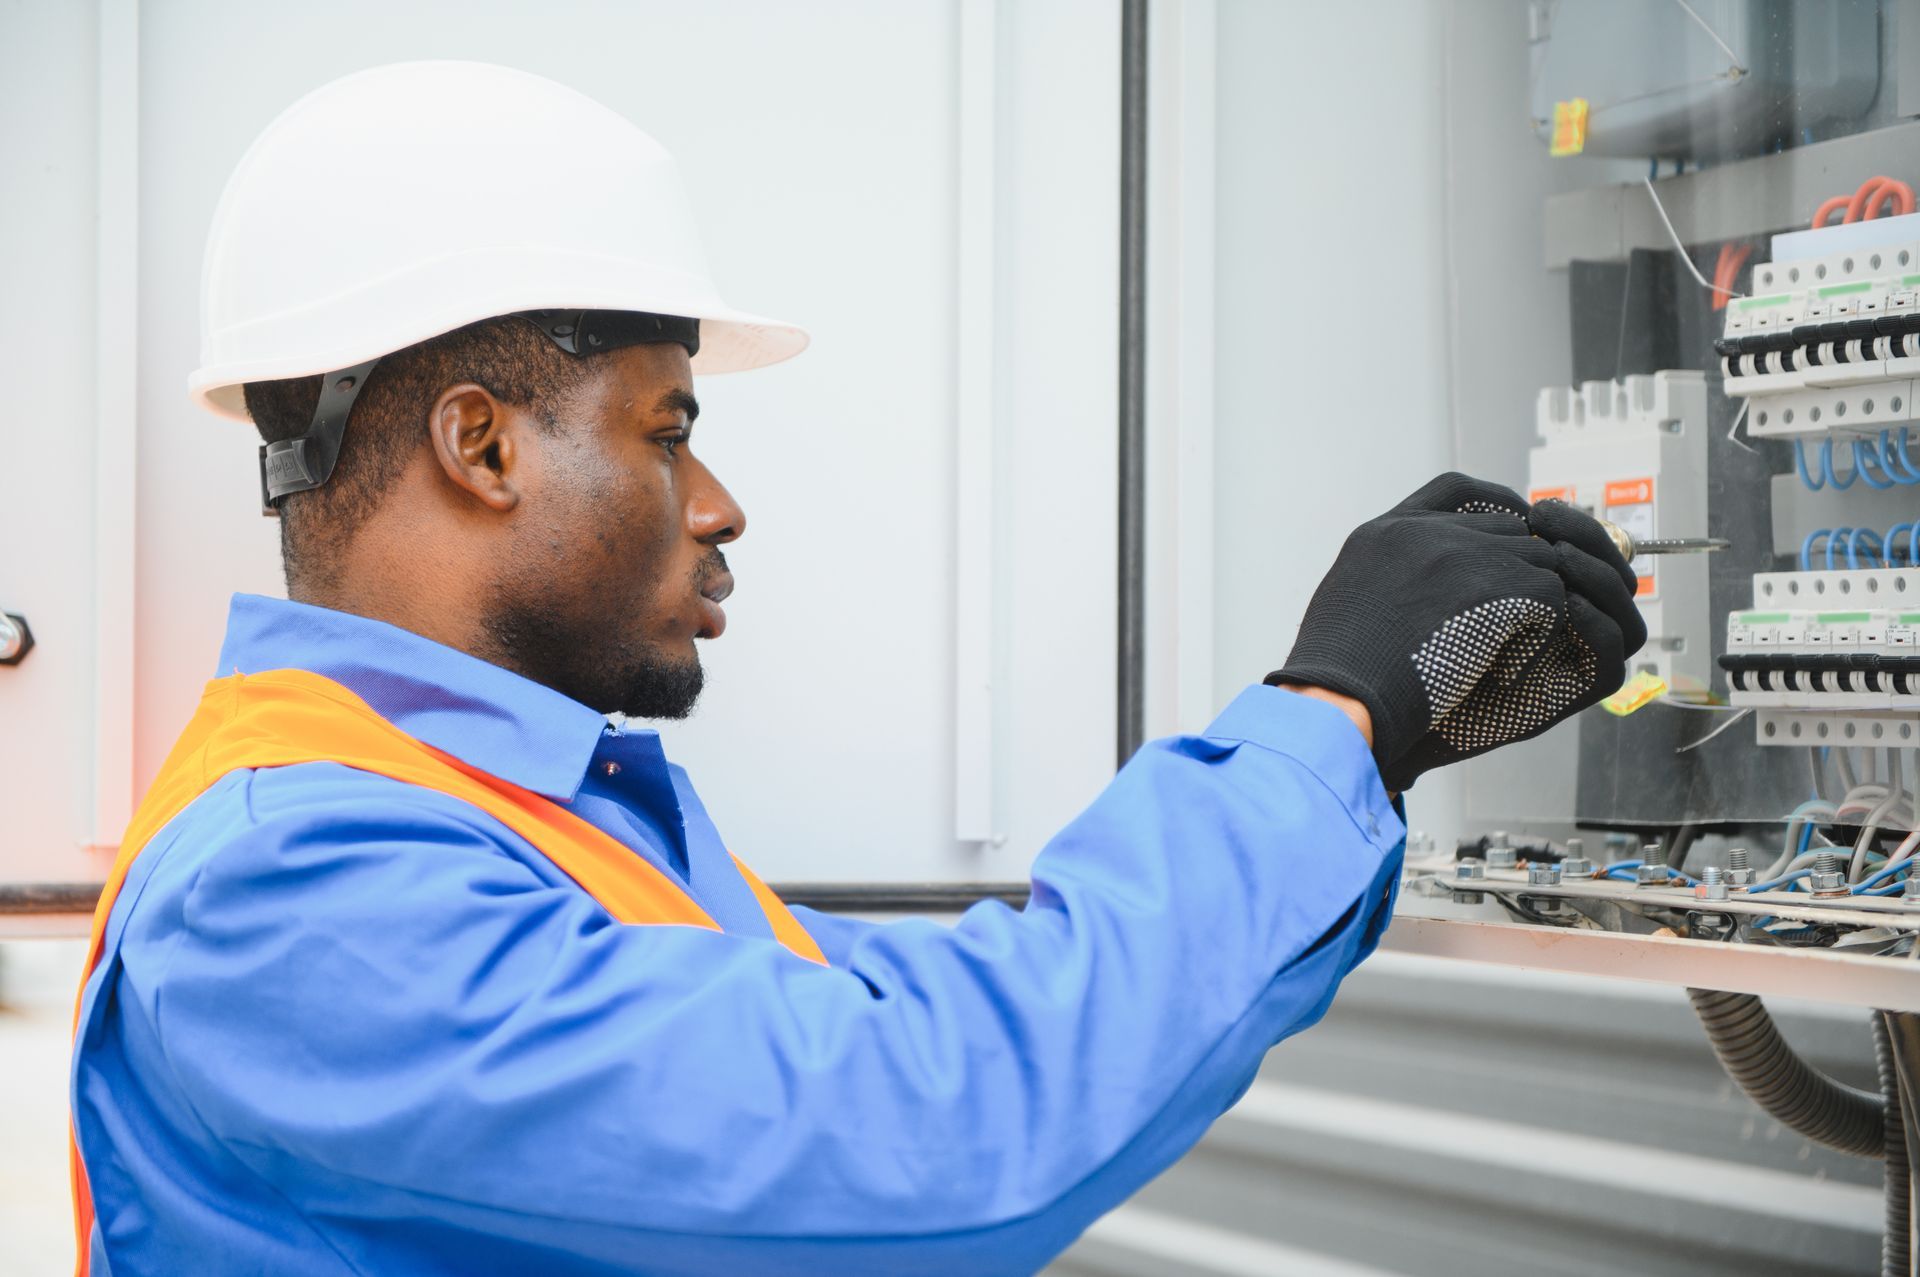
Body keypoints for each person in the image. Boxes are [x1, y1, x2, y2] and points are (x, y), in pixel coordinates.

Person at [69, 62, 1646, 1277]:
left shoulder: (523, 812)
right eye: (668, 430)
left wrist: (1356, 750)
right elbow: (926, 1122)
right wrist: (1330, 712)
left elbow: (887, 1016)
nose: (717, 502)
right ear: (480, 443)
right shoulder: (297, 889)